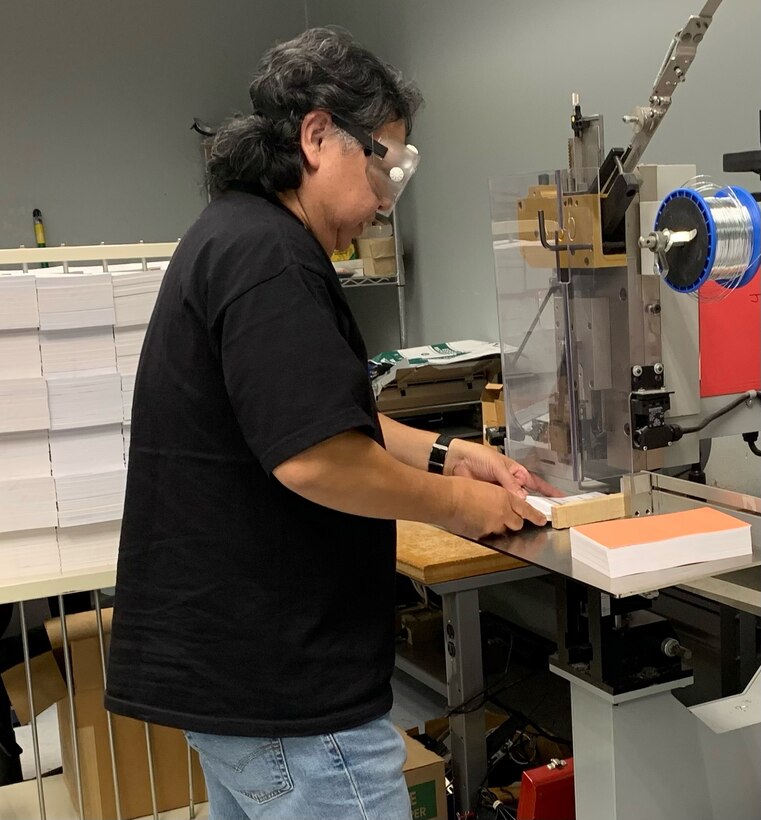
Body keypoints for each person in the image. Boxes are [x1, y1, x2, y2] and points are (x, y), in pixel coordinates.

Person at [105, 27, 559, 820]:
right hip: (291, 701)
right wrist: (463, 510)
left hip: (242, 692)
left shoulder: (235, 235)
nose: (385, 200)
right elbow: (314, 461)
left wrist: (449, 454)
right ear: (317, 135)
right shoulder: (270, 257)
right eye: (382, 163)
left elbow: (317, 420)